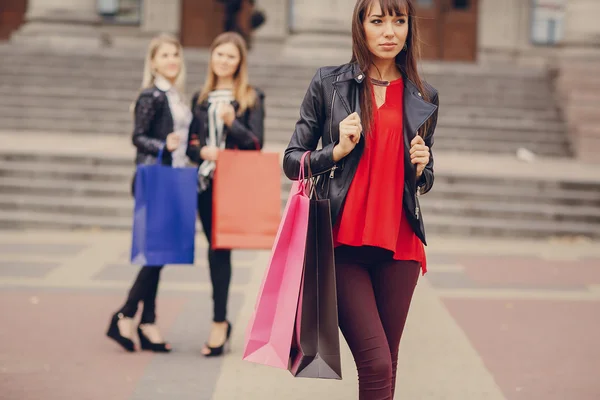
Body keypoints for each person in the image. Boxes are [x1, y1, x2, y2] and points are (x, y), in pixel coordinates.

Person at [282, 0, 439, 398]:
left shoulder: (424, 94)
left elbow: (421, 179)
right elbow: (291, 160)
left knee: (389, 361)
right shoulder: (328, 84)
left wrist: (422, 169)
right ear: (360, 26)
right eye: (378, 21)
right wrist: (334, 151)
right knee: (376, 363)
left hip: (400, 245)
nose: (390, 32)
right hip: (342, 243)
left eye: (399, 21)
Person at [106, 33, 192, 353]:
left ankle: (145, 321)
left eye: (176, 54)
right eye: (165, 55)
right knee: (157, 254)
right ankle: (127, 314)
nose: (172, 60)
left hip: (174, 178)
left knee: (160, 254)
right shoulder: (152, 95)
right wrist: (163, 144)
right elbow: (138, 137)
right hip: (156, 179)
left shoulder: (176, 96)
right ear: (153, 61)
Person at [187, 32, 265, 357]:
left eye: (231, 56)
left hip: (234, 184)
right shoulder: (201, 98)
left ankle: (219, 323)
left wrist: (232, 124)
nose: (224, 61)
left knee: (221, 249)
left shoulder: (251, 97)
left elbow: (256, 143)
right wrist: (202, 151)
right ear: (212, 59)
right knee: (214, 249)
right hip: (205, 184)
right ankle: (220, 320)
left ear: (239, 62)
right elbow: (192, 144)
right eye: (219, 54)